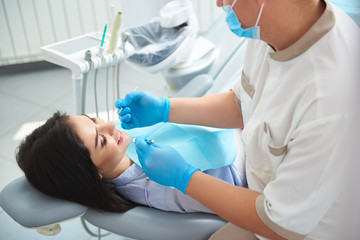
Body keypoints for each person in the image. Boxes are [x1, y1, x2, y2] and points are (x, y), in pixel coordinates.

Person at [115, 0, 360, 239]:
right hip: (266, 204)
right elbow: (242, 103)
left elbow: (279, 225)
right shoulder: (268, 32)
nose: (220, 4)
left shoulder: (330, 101)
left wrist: (184, 177)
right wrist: (166, 108)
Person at [16, 111, 246, 214]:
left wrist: (167, 108)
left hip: (237, 128)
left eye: (93, 120)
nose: (109, 126)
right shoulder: (159, 189)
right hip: (246, 164)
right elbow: (234, 199)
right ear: (93, 173)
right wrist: (184, 177)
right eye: (101, 140)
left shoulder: (121, 143)